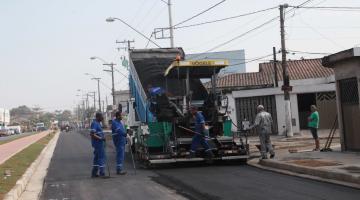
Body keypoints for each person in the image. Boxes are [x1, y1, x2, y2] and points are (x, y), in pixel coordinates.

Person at [90, 112, 107, 178]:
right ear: (97, 117)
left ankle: (94, 173)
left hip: (99, 143)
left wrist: (103, 121)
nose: (102, 118)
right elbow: (92, 134)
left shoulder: (98, 123)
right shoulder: (94, 123)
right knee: (101, 157)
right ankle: (102, 173)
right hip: (98, 143)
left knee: (96, 158)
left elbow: (105, 127)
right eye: (101, 117)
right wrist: (101, 138)